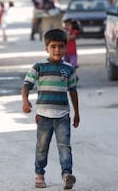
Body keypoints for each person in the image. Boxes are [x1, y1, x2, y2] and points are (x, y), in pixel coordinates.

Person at [21, 29, 80, 189]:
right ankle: (39, 174)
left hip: (63, 116)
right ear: (46, 47)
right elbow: (27, 84)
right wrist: (25, 101)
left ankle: (67, 175)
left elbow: (73, 91)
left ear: (66, 47)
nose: (57, 50)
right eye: (53, 46)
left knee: (65, 146)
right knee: (42, 147)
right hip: (43, 116)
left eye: (61, 46)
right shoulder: (39, 67)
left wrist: (76, 113)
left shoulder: (69, 69)